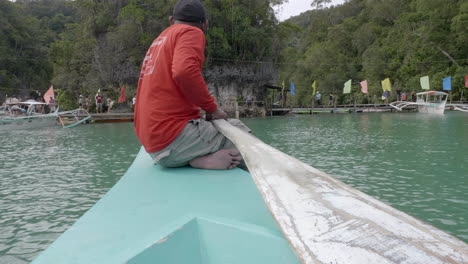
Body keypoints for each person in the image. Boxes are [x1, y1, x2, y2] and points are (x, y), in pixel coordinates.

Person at [134, 0, 245, 170]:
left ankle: (196, 158)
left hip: (154, 144)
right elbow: (183, 72)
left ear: (171, 20)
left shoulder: (160, 40)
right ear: (205, 24)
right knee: (240, 132)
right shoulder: (191, 32)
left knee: (217, 128)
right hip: (171, 141)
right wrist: (212, 109)